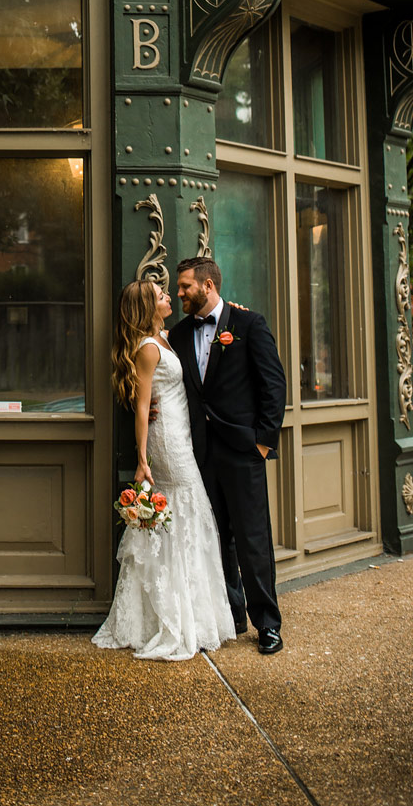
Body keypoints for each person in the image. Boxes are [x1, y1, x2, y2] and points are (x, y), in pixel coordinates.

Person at [92, 279, 235, 660]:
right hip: (167, 439)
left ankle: (193, 611)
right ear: (147, 307)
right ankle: (172, 618)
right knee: (184, 511)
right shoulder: (148, 349)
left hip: (183, 432)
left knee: (186, 516)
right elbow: (142, 407)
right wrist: (142, 459)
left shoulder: (168, 336)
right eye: (161, 295)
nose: (169, 297)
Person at [167, 256, 287, 655]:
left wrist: (262, 442)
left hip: (243, 451)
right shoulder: (180, 334)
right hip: (198, 454)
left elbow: (273, 385)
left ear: (208, 286)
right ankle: (232, 614)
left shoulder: (249, 324)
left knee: (254, 541)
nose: (178, 293)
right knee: (217, 540)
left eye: (185, 286)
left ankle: (268, 624)